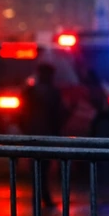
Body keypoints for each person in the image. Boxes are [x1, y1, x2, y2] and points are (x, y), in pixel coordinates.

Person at [21, 62, 67, 205]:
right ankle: (43, 196)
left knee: (37, 167)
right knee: (43, 168)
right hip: (45, 134)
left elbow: (22, 113)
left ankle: (39, 196)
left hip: (34, 133)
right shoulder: (52, 92)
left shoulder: (31, 91)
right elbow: (58, 115)